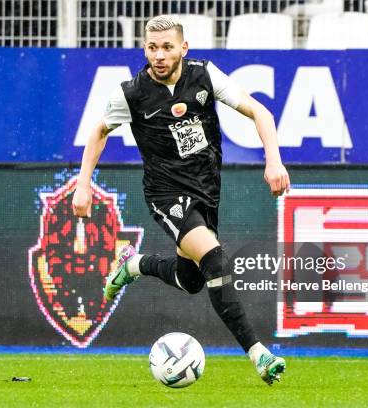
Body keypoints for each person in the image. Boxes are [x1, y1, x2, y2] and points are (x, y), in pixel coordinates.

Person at [72, 14, 290, 385]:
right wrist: (83, 184)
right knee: (216, 262)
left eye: (167, 47)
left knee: (191, 280)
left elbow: (260, 112)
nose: (159, 55)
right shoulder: (131, 92)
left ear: (183, 49)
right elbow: (99, 131)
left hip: (206, 191)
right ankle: (260, 355)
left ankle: (134, 264)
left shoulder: (204, 76)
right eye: (152, 47)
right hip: (165, 194)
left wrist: (274, 160)